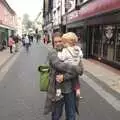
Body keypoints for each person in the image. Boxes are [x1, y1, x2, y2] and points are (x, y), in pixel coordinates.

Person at [44, 32, 83, 120]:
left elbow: (81, 70)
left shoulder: (72, 50)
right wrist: (75, 68)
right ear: (53, 43)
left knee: (71, 115)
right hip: (57, 90)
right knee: (56, 115)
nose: (58, 43)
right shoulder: (52, 53)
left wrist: (64, 77)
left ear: (64, 41)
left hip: (70, 89)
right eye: (55, 42)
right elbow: (59, 65)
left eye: (60, 41)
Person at [57, 32, 83, 99]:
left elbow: (61, 57)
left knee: (59, 76)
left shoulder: (65, 50)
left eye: (63, 42)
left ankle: (58, 90)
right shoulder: (78, 48)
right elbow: (81, 55)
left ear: (66, 42)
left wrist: (59, 53)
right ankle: (77, 90)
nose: (62, 43)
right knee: (76, 79)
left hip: (67, 67)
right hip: (75, 65)